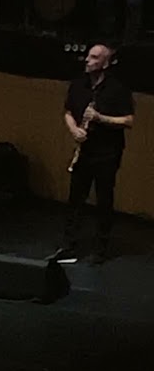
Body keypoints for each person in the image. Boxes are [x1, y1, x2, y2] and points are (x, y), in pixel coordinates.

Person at [54, 44, 135, 265]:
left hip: (107, 153)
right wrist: (74, 130)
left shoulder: (117, 89)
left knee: (103, 199)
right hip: (84, 152)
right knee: (75, 198)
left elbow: (128, 120)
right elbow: (69, 112)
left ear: (105, 63)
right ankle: (69, 243)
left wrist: (101, 118)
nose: (87, 60)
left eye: (94, 57)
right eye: (88, 56)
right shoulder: (79, 84)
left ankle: (101, 248)